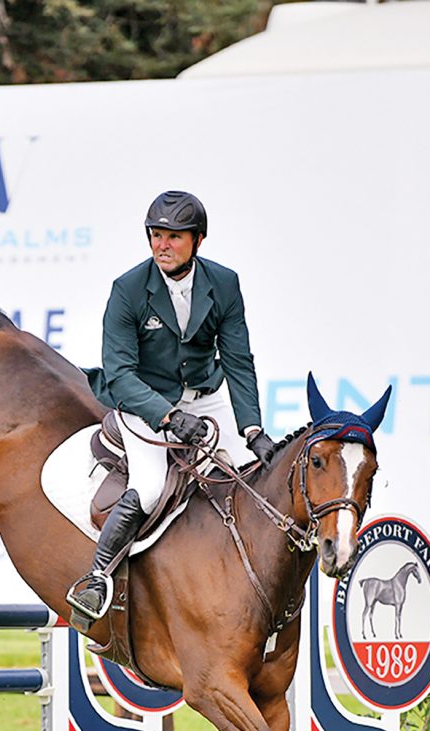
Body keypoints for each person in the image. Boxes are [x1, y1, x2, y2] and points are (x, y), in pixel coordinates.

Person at [67, 190, 276, 622]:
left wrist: (253, 430)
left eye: (174, 237)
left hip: (207, 395)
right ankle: (97, 579)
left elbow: (238, 361)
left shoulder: (224, 283)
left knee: (254, 483)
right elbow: (120, 373)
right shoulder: (127, 290)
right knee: (147, 489)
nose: (162, 245)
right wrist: (167, 416)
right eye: (156, 235)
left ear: (198, 240)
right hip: (144, 401)